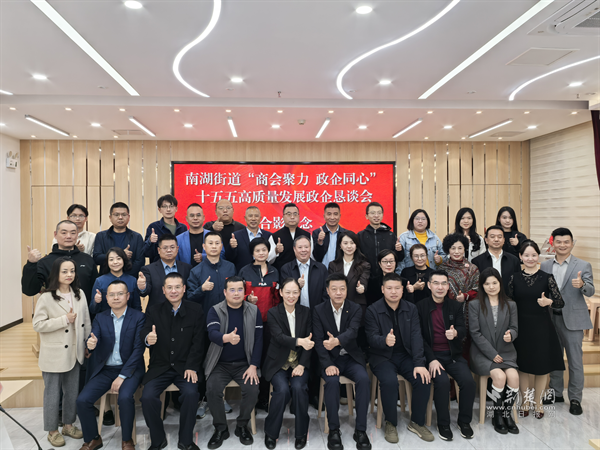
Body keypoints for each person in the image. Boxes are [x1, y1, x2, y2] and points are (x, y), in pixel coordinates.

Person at [76, 280, 146, 450]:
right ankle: (93, 438)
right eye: (112, 294)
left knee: (125, 397)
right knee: (82, 400)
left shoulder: (139, 317)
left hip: (130, 369)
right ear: (106, 298)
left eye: (120, 294)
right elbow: (93, 337)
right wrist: (90, 344)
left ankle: (127, 440)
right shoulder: (100, 318)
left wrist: (122, 376)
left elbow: (138, 350)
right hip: (106, 370)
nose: (116, 298)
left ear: (128, 296)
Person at [364, 273, 433, 443]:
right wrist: (384, 341)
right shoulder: (373, 310)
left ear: (402, 290)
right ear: (382, 289)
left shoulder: (411, 308)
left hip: (405, 355)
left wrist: (419, 363)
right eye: (389, 288)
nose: (393, 292)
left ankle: (417, 422)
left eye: (397, 288)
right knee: (389, 382)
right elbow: (370, 338)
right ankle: (391, 422)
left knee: (423, 378)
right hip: (382, 357)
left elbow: (416, 336)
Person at [140, 273, 205, 450]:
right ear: (163, 290)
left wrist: (192, 366)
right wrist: (148, 338)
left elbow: (199, 342)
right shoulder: (153, 310)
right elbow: (145, 331)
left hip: (185, 367)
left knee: (191, 394)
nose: (173, 291)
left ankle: (186, 440)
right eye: (169, 287)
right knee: (147, 397)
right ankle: (158, 439)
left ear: (184, 289)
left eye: (177, 287)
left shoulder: (196, 310)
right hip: (160, 366)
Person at [32, 257, 91, 447]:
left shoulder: (80, 293)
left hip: (75, 352)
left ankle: (68, 425)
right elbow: (38, 325)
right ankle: (52, 431)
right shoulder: (46, 297)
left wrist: (87, 344)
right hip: (54, 354)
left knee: (72, 392)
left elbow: (86, 321)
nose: (69, 275)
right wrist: (64, 320)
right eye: (64, 271)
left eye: (72, 271)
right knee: (52, 394)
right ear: (56, 273)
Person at [312, 273, 372, 450]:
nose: (338, 293)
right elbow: (318, 340)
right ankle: (333, 430)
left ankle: (360, 430)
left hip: (351, 357)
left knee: (364, 379)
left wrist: (336, 341)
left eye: (342, 289)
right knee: (331, 382)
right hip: (330, 359)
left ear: (347, 290)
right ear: (327, 291)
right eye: (334, 289)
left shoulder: (355, 308)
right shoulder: (318, 310)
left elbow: (353, 332)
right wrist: (328, 364)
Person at [415, 270, 475, 441]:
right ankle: (443, 423)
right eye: (436, 283)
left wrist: (455, 333)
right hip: (431, 356)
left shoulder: (455, 306)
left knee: (469, 382)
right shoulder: (420, 306)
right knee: (441, 382)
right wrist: (431, 359)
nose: (440, 287)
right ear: (429, 285)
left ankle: (464, 422)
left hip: (453, 355)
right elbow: (418, 337)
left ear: (448, 286)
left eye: (443, 283)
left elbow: (463, 329)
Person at [507, 241, 564, 418]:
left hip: (542, 327)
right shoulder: (514, 278)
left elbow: (560, 302)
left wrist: (549, 302)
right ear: (520, 257)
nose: (530, 258)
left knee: (542, 367)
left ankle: (538, 403)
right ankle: (525, 402)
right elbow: (507, 302)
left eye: (533, 255)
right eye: (526, 255)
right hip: (521, 327)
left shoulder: (547, 277)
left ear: (538, 257)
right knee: (523, 366)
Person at [541, 227, 595, 415]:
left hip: (573, 320)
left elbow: (591, 291)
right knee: (555, 358)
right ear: (553, 244)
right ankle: (556, 393)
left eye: (566, 242)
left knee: (575, 361)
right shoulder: (545, 266)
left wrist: (583, 285)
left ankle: (575, 398)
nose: (562, 245)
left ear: (572, 244)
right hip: (551, 318)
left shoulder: (583, 265)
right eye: (559, 242)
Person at [205, 276, 263, 449]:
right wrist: (227, 338)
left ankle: (242, 426)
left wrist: (253, 366)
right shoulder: (215, 310)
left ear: (244, 292)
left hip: (245, 364)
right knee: (212, 389)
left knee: (252, 389)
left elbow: (259, 340)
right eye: (232, 290)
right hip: (220, 364)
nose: (236, 293)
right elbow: (212, 333)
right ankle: (220, 428)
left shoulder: (254, 310)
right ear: (225, 292)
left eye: (239, 289)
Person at [263, 278, 314, 450]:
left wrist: (302, 365)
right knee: (282, 390)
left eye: (295, 292)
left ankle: (301, 433)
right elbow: (279, 337)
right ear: (281, 293)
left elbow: (310, 342)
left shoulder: (306, 312)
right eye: (288, 292)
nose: (291, 296)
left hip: (299, 363)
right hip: (278, 363)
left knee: (299, 388)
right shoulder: (273, 313)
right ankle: (271, 432)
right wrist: (300, 341)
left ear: (299, 294)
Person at [469, 268, 519, 435]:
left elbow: (515, 328)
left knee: (514, 377)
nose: (491, 287)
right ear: (482, 286)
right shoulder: (475, 305)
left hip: (506, 350)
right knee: (499, 376)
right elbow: (475, 333)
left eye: (494, 283)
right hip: (483, 353)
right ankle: (497, 415)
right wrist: (492, 354)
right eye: (487, 284)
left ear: (500, 283)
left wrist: (511, 335)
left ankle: (507, 413)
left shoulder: (511, 304)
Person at [280, 234, 328, 407]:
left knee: (315, 355)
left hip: (316, 317)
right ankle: (296, 394)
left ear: (311, 248)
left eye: (306, 247)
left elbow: (325, 295)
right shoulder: (287, 268)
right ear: (294, 250)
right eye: (299, 247)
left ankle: (313, 394)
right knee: (297, 353)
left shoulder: (321, 268)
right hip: (295, 318)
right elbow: (285, 293)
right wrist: (296, 285)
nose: (303, 250)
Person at [238, 237, 280, 411]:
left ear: (268, 252)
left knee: (266, 361)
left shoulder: (275, 271)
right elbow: (236, 295)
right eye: (257, 250)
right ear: (252, 253)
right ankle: (250, 400)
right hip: (249, 322)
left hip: (270, 323)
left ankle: (264, 398)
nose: (261, 253)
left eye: (264, 250)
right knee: (250, 360)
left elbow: (278, 298)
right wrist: (247, 298)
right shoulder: (244, 271)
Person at [23, 220, 98, 302]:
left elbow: (95, 289)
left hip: (83, 308)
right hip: (55, 308)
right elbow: (29, 291)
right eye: (64, 233)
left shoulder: (87, 259)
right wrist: (31, 264)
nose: (68, 236)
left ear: (77, 235)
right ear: (55, 235)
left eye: (73, 233)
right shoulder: (45, 262)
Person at [327, 231, 370, 352]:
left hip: (356, 305)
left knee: (355, 341)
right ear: (340, 245)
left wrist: (362, 288)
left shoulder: (364, 264)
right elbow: (331, 285)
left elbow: (364, 281)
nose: (349, 246)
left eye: (352, 243)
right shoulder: (333, 265)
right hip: (337, 306)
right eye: (345, 243)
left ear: (356, 245)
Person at [358, 202, 403, 305]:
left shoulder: (390, 235)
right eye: (373, 213)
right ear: (366, 216)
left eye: (379, 213)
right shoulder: (360, 236)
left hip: (388, 280)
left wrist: (399, 250)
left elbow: (399, 258)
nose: (376, 215)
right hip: (368, 280)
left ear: (382, 215)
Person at [186, 231, 236, 314]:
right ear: (204, 246)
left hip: (229, 314)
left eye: (217, 243)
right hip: (206, 315)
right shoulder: (196, 271)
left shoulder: (230, 267)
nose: (214, 246)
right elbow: (190, 297)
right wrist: (201, 289)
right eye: (210, 243)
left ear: (221, 246)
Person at [137, 234, 192, 308]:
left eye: (172, 247)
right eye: (165, 248)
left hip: (182, 311)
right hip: (157, 312)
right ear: (158, 250)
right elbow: (144, 293)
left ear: (177, 249)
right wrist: (142, 287)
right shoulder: (148, 269)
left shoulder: (187, 268)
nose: (169, 250)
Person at [93, 202, 145, 276]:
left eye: (124, 215)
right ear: (110, 218)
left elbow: (140, 262)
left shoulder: (137, 237)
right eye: (116, 215)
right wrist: (121, 254)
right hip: (106, 278)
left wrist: (124, 276)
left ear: (128, 217)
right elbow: (97, 258)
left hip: (130, 278)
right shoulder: (101, 236)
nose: (120, 217)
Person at [90, 247, 141, 315]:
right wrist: (96, 302)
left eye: (118, 258)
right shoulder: (99, 281)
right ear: (107, 262)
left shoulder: (133, 280)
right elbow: (92, 310)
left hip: (129, 319)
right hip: (106, 319)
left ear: (124, 260)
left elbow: (137, 307)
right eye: (111, 259)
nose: (115, 262)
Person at [472, 225, 521, 292]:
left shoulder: (513, 260)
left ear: (504, 240)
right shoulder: (477, 261)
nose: (496, 239)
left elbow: (517, 283)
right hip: (485, 297)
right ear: (486, 240)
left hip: (508, 297)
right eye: (492, 237)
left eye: (499, 237)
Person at [229, 206, 276, 272]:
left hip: (264, 273)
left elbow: (271, 257)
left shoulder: (268, 236)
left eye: (256, 216)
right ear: (245, 218)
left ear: (260, 218)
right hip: (243, 274)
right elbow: (229, 258)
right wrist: (231, 247)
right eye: (250, 216)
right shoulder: (236, 236)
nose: (253, 219)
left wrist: (276, 251)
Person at [397, 209, 444, 273]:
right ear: (412, 221)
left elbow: (444, 255)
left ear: (427, 221)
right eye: (417, 219)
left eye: (423, 219)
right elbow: (400, 260)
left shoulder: (434, 238)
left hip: (430, 274)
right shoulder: (404, 237)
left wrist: (440, 259)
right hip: (410, 275)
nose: (420, 221)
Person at [144, 194, 188, 263]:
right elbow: (146, 253)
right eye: (164, 207)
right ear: (159, 210)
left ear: (176, 209)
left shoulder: (183, 228)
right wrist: (150, 241)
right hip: (159, 267)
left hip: (179, 266)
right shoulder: (153, 227)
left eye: (171, 206)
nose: (168, 209)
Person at [272, 203, 312, 272]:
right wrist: (276, 251)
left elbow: (312, 257)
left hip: (303, 272)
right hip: (282, 274)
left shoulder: (307, 235)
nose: (292, 217)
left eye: (295, 214)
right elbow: (268, 260)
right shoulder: (275, 236)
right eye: (289, 214)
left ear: (299, 216)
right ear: (283, 216)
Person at [312, 202, 348, 269]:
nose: (332, 217)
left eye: (335, 214)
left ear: (340, 216)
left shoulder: (345, 234)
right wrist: (320, 242)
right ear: (324, 216)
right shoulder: (317, 233)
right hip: (321, 271)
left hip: (340, 271)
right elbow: (316, 257)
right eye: (329, 214)